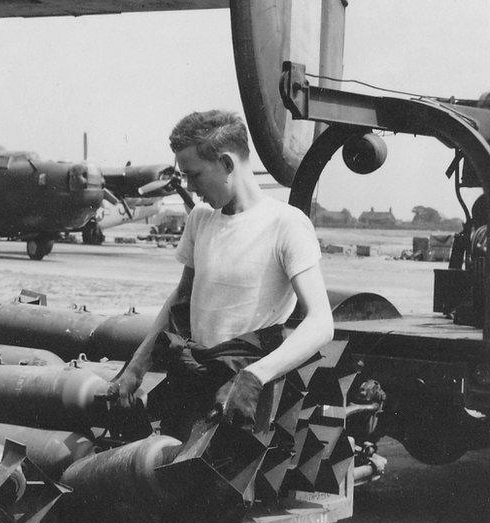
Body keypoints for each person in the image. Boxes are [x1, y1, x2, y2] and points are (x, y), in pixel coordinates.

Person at [113, 110, 334, 435]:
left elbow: (321, 323)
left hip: (247, 392)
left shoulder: (286, 224)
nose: (188, 185)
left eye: (195, 175)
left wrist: (254, 377)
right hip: (195, 382)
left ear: (228, 164)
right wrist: (135, 368)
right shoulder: (201, 219)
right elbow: (181, 299)